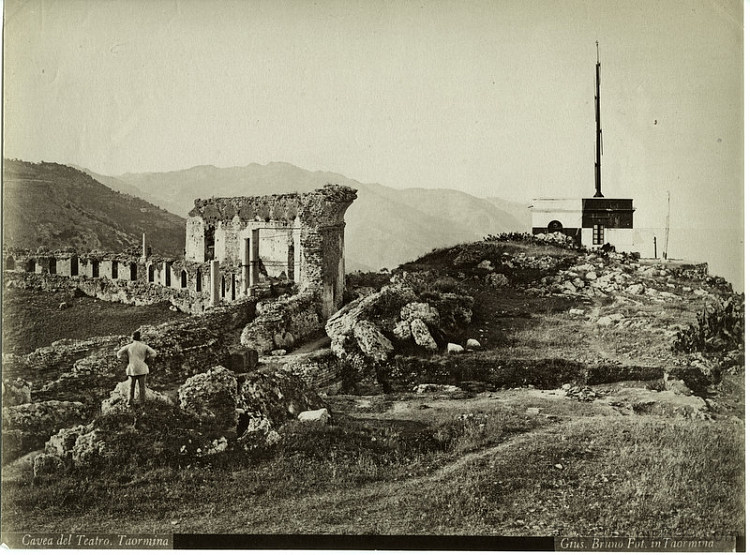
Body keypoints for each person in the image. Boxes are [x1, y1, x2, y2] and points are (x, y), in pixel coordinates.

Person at [116, 331, 157, 406]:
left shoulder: (129, 346)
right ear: (140, 337)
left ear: (132, 337)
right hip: (142, 367)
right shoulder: (144, 346)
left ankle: (129, 402)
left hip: (132, 368)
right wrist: (148, 358)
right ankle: (142, 403)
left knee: (131, 386)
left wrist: (124, 359)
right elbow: (154, 353)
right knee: (142, 387)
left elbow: (118, 353)